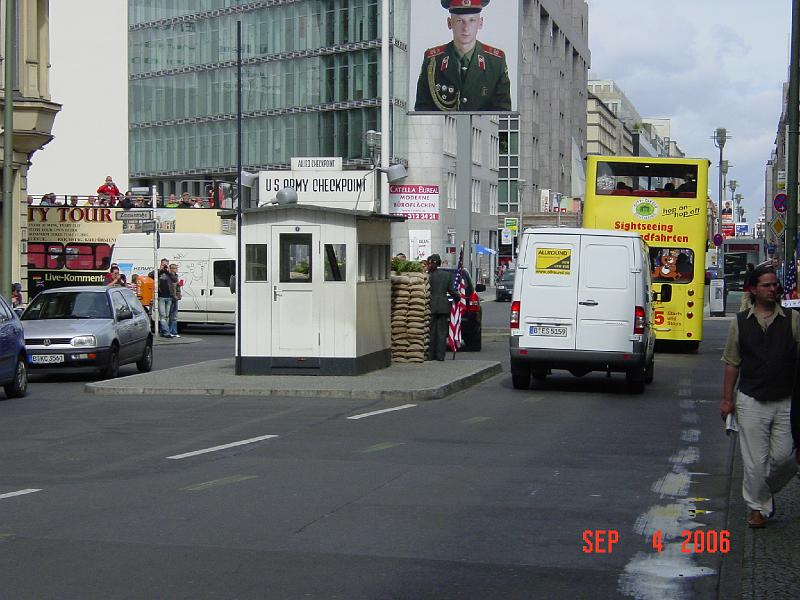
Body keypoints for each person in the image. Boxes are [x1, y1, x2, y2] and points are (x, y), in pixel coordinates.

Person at [720, 265, 800, 528]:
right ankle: (757, 510)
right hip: (751, 400)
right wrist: (727, 399)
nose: (772, 289)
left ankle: (763, 496)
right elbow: (732, 362)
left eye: (774, 285)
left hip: (785, 400)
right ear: (753, 290)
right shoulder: (740, 322)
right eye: (766, 285)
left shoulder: (792, 319)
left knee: (785, 459)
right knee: (755, 463)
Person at [414, 0, 511, 112]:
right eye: (460, 21)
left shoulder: (496, 62)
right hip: (444, 128)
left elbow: (503, 113)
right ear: (450, 23)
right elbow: (422, 111)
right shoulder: (433, 60)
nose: (466, 28)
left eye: (472, 20)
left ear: (480, 23)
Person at [427, 254, 459, 361]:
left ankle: (430, 355)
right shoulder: (446, 275)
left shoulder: (428, 276)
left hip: (430, 305)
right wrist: (458, 298)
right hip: (443, 306)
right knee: (441, 332)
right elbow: (451, 290)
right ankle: (440, 356)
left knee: (430, 332)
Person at [157, 259, 174, 338]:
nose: (165, 266)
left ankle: (163, 331)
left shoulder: (169, 274)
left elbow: (175, 279)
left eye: (166, 264)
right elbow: (150, 275)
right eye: (163, 264)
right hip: (161, 297)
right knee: (163, 315)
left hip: (169, 297)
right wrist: (160, 269)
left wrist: (169, 271)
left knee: (167, 316)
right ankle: (167, 333)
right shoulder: (158, 272)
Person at [168, 263, 182, 337]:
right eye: (173, 268)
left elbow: (178, 287)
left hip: (175, 298)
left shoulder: (176, 276)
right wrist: (174, 295)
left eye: (175, 268)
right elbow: (171, 288)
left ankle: (174, 331)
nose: (174, 270)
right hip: (171, 298)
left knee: (174, 316)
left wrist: (179, 295)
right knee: (170, 316)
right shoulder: (169, 276)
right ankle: (170, 331)